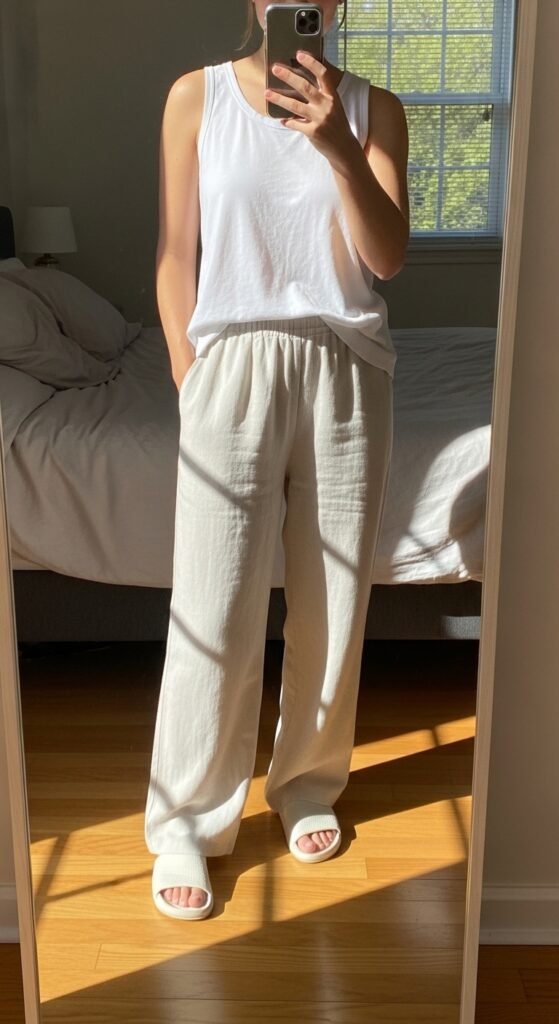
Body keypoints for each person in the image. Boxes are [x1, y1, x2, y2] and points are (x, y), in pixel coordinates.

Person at [144, 0, 410, 920]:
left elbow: (385, 257)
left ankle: (305, 783)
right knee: (210, 600)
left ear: (332, 7)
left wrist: (337, 145)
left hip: (347, 364)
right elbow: (176, 253)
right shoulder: (197, 97)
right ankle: (186, 818)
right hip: (231, 363)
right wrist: (188, 371)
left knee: (333, 597)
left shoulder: (374, 108)